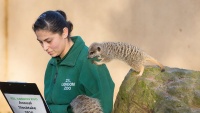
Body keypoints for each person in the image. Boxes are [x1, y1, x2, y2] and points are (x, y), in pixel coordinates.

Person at [32, 10, 115, 113]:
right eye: (41, 42)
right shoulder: (52, 63)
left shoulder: (90, 61)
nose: (45, 47)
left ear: (64, 33)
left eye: (49, 41)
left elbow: (105, 106)